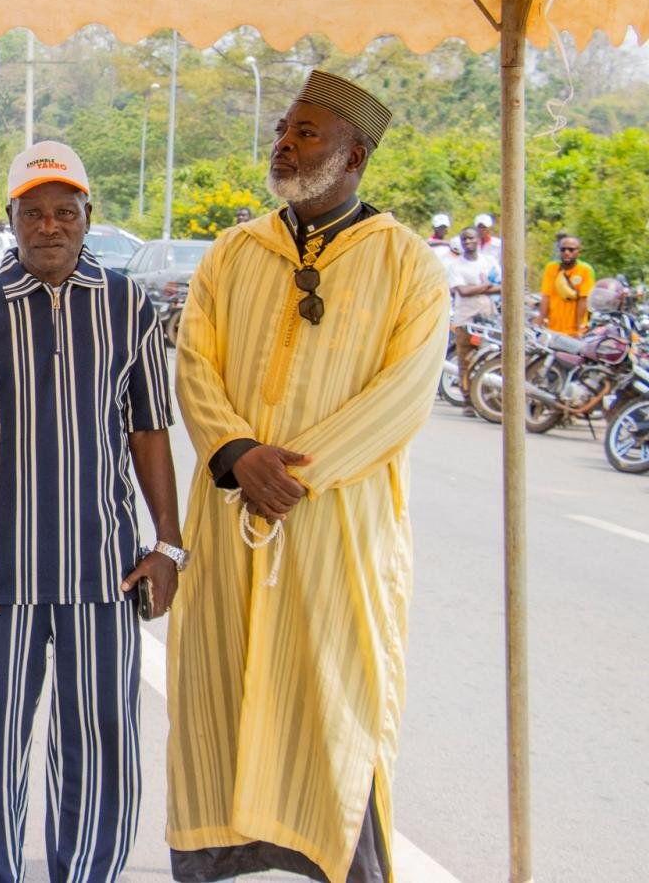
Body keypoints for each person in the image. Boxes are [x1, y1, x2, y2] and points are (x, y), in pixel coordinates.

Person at [169, 70, 447, 883]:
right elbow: (195, 364)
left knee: (335, 708)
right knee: (220, 699)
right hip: (230, 523)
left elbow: (401, 399)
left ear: (355, 153)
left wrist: (292, 475)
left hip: (335, 537)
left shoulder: (407, 266)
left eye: (307, 133)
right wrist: (234, 455)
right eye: (283, 130)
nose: (284, 143)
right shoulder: (234, 250)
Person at [0, 140, 183, 882]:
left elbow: (149, 433)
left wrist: (171, 546)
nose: (49, 226)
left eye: (65, 212)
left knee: (100, 746)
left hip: (107, 574)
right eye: (33, 213)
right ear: (10, 220)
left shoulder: (129, 306)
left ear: (88, 218)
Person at [446, 227, 501, 417]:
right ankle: (468, 399)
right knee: (466, 360)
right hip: (466, 318)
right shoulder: (456, 266)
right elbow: (462, 291)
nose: (467, 242)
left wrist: (477, 288)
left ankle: (487, 398)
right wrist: (486, 286)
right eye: (464, 239)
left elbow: (501, 286)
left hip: (488, 316)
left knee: (491, 356)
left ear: (478, 240)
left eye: (471, 238)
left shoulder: (489, 262)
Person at [539, 235, 596, 337]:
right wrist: (540, 321)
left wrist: (579, 327)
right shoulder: (551, 268)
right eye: (563, 249)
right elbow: (546, 297)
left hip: (574, 331)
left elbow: (583, 300)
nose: (566, 252)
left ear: (578, 252)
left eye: (571, 250)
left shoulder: (585, 270)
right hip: (553, 329)